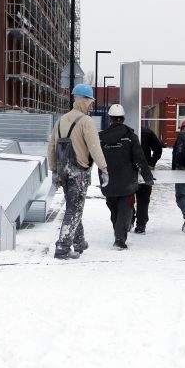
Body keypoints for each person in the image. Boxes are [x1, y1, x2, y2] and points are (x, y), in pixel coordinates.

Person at [47, 84, 108, 259]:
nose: (91, 105)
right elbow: (94, 147)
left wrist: (54, 170)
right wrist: (103, 168)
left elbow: (51, 147)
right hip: (79, 173)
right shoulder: (86, 121)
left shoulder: (60, 121)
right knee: (75, 209)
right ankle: (62, 248)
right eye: (90, 102)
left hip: (63, 173)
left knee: (73, 206)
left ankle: (79, 242)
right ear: (83, 100)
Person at [99, 104, 154, 249]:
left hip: (108, 181)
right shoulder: (130, 137)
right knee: (125, 209)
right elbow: (140, 159)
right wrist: (147, 177)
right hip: (127, 181)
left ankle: (118, 232)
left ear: (110, 118)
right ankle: (119, 239)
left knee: (114, 208)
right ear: (123, 118)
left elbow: (93, 156)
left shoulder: (101, 137)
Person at [132, 127, 163, 234]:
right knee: (143, 200)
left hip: (128, 171)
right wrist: (151, 163)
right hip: (145, 170)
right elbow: (158, 147)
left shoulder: (125, 131)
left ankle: (129, 219)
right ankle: (141, 225)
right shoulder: (147, 132)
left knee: (126, 198)